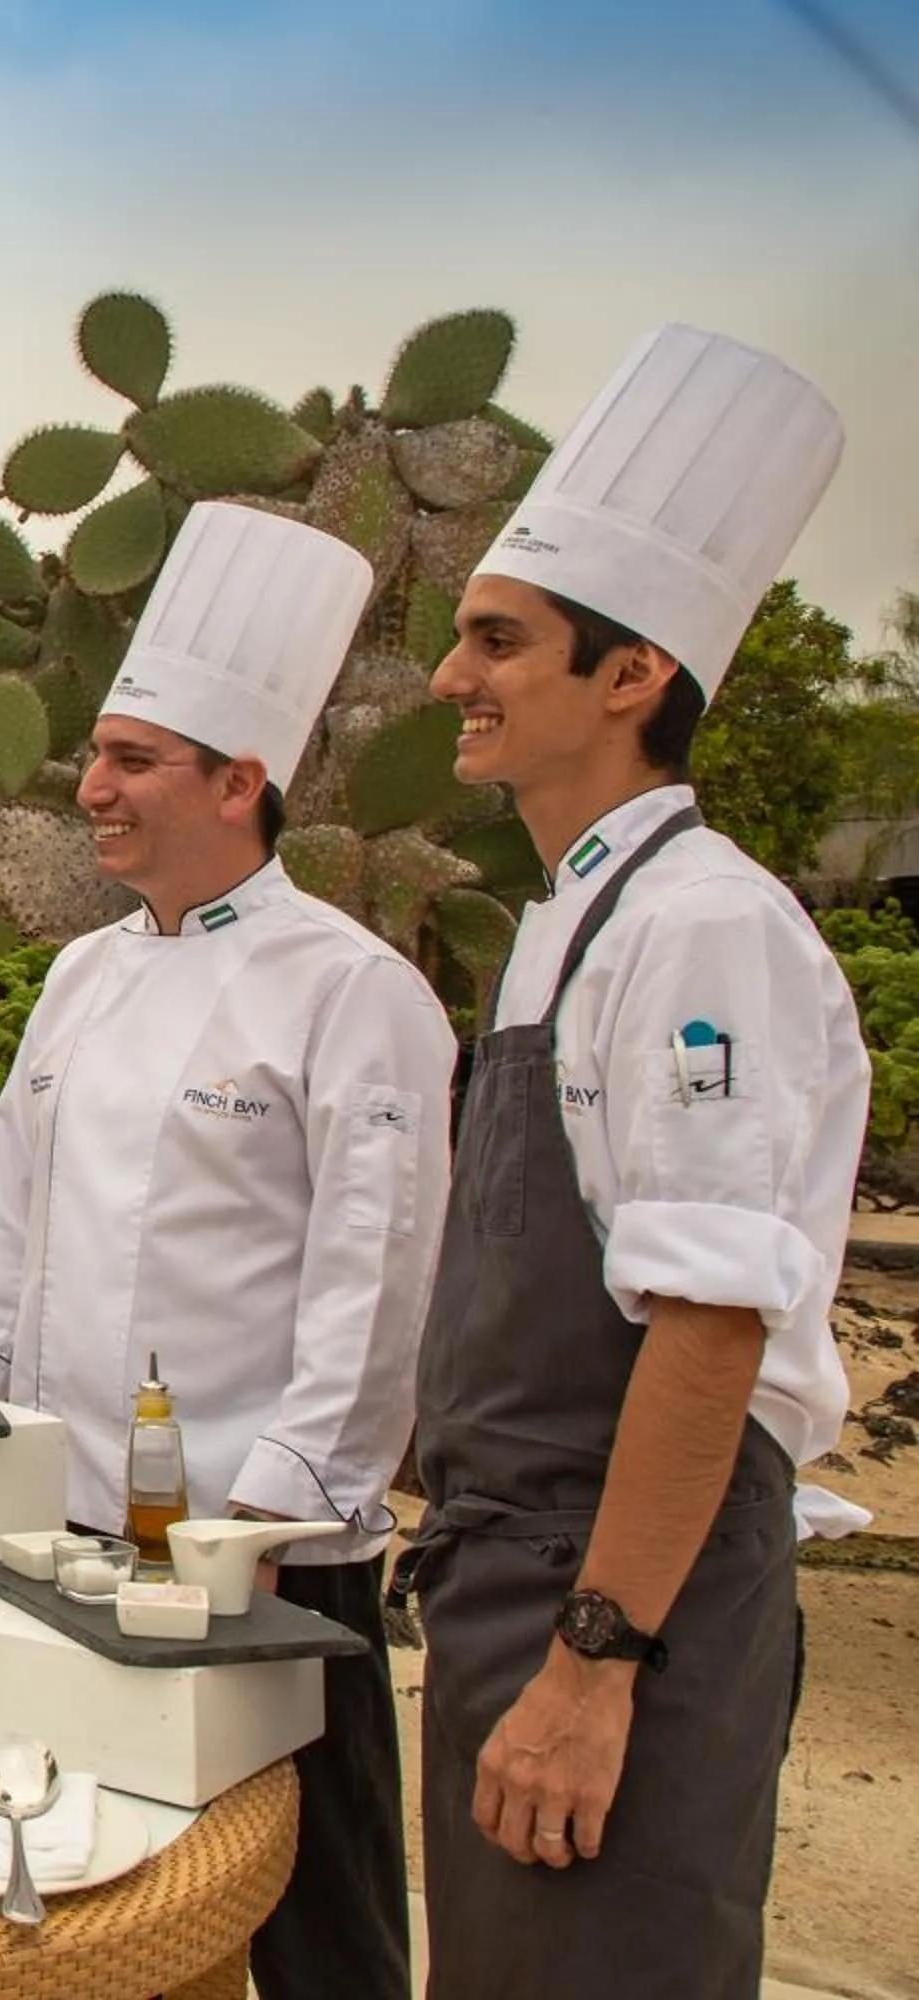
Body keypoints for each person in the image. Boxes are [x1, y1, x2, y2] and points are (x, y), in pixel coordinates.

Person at [404, 325, 864, 1999]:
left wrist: (595, 1665)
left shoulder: (703, 927)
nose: (453, 677)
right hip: (518, 1578)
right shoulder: (573, 920)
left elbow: (710, 1332)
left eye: (498, 641)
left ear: (631, 676)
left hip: (618, 1593)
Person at [0, 502, 456, 1996]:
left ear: (242, 783)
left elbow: (376, 1290)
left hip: (266, 1557)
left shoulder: (351, 992)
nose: (90, 787)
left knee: (319, 1922)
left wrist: (268, 1522)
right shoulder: (79, 980)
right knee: (96, 1903)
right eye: (96, 754)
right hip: (71, 1533)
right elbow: (9, 1234)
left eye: (131, 761)